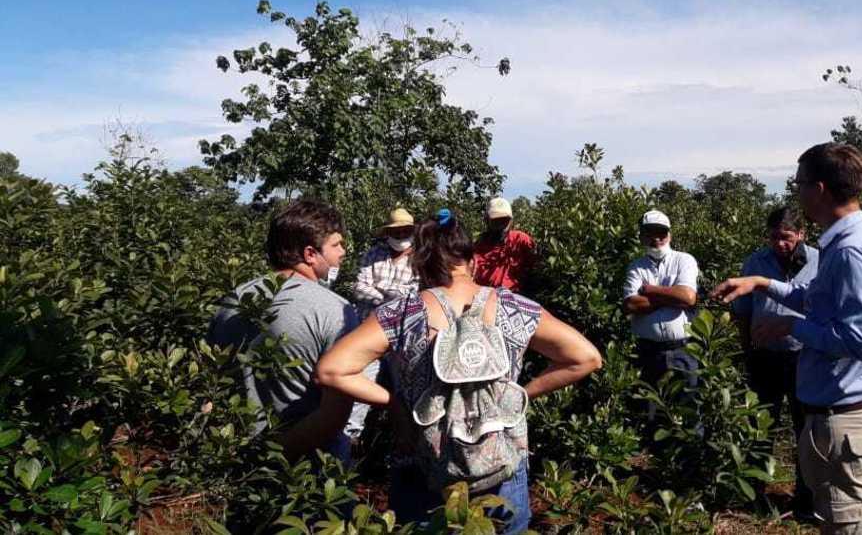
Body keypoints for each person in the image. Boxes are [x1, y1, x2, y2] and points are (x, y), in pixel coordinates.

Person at [316, 210, 601, 532]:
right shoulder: (513, 307)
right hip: (501, 464)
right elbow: (586, 358)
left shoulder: (403, 312)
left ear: (420, 265)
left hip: (423, 466)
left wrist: (395, 403)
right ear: (473, 261)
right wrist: (519, 393)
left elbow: (331, 371)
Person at [711, 143, 862, 535]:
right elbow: (815, 300)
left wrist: (790, 327)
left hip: (846, 421)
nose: (796, 192)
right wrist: (761, 283)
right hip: (851, 416)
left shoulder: (850, 251)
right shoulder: (851, 242)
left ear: (820, 189)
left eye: (799, 184)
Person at [207, 199, 355, 463]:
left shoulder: (233, 299)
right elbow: (334, 414)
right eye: (336, 245)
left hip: (234, 455)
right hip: (308, 465)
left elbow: (210, 386)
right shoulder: (336, 310)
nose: (343, 252)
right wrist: (275, 458)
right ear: (310, 254)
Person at [732, 206, 819, 522]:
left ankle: (806, 500)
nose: (780, 244)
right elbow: (742, 310)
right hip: (765, 357)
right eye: (774, 237)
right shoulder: (756, 262)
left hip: (804, 357)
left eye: (786, 237)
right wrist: (747, 349)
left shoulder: (820, 261)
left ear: (801, 234)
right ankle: (753, 494)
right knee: (760, 428)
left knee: (805, 429)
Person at [344, 207, 420, 445]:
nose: (401, 235)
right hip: (368, 332)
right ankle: (350, 439)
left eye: (405, 231)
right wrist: (389, 297)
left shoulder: (419, 259)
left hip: (401, 337)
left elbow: (414, 295)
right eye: (396, 231)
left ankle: (404, 442)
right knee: (360, 385)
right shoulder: (373, 254)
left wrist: (379, 290)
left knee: (404, 389)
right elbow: (359, 288)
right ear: (388, 233)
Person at [622, 210, 700, 421]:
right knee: (650, 413)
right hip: (648, 352)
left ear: (669, 235)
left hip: (683, 350)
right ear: (641, 237)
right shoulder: (636, 267)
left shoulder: (684, 260)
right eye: (649, 233)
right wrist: (671, 296)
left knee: (688, 410)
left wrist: (650, 290)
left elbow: (687, 298)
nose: (656, 239)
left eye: (661, 233)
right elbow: (631, 304)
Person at [473, 197, 535, 293]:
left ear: (511, 221)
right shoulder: (479, 247)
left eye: (504, 220)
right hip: (488, 297)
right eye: (496, 221)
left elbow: (534, 267)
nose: (500, 225)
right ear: (487, 221)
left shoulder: (521, 240)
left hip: (516, 296)